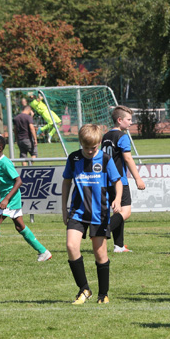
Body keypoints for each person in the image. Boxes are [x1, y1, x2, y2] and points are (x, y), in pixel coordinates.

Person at [61, 124, 122, 304]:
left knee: (100, 253)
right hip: (78, 212)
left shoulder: (105, 159)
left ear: (99, 143)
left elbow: (117, 182)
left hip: (99, 213)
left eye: (93, 147)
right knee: (71, 246)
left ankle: (103, 294)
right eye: (86, 147)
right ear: (80, 143)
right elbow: (66, 183)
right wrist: (64, 208)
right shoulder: (73, 159)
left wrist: (117, 199)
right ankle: (84, 289)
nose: (89, 151)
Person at [0, 135, 51, 266]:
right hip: (8, 199)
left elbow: (19, 181)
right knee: (19, 226)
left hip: (10, 199)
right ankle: (43, 251)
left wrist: (6, 199)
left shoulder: (5, 162)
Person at [101, 106, 146, 253]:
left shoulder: (105, 136)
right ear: (120, 120)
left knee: (117, 211)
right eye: (128, 120)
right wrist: (138, 178)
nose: (131, 122)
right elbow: (127, 158)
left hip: (106, 180)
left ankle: (119, 246)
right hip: (119, 181)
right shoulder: (122, 137)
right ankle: (103, 231)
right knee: (125, 213)